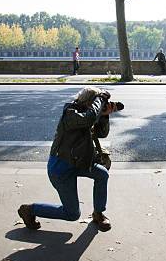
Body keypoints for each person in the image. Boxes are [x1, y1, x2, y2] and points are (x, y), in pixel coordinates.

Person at [18, 86, 118, 232]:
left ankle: (98, 214)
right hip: (61, 169)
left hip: (78, 162)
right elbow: (88, 118)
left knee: (102, 174)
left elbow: (101, 133)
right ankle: (30, 210)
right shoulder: (71, 114)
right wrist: (101, 98)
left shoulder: (88, 115)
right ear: (89, 102)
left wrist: (104, 115)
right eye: (97, 104)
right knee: (72, 214)